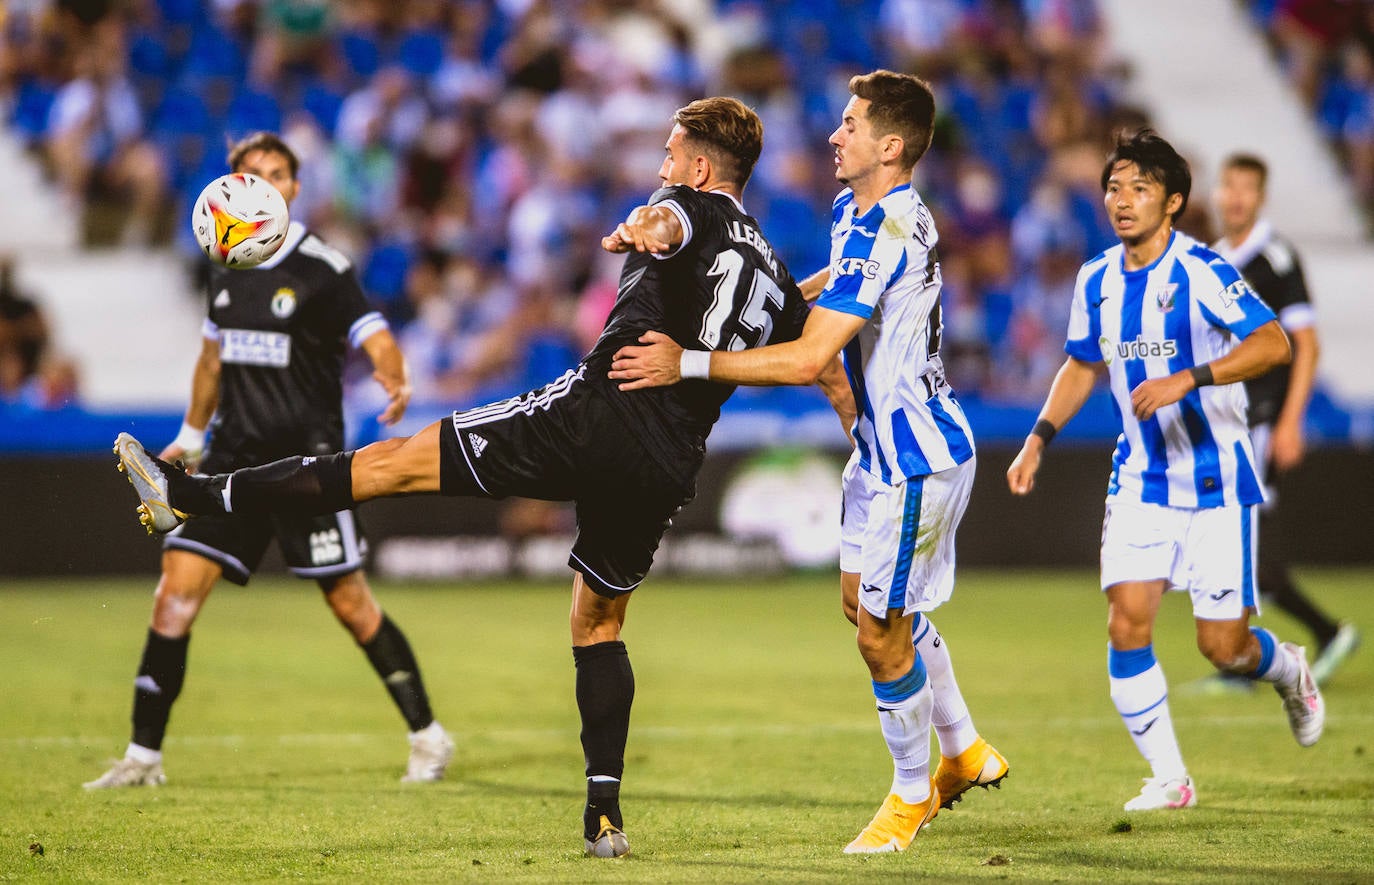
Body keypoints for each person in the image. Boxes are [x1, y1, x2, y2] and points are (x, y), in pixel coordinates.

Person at [111, 98, 848, 857]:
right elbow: (807, 341)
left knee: (393, 464)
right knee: (598, 623)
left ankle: (191, 494)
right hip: (667, 461)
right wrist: (856, 405)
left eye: (671, 152)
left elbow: (668, 223)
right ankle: (604, 816)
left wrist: (642, 226)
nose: (662, 162)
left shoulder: (680, 204)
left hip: (597, 412)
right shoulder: (766, 264)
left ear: (699, 167)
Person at [608, 70, 1008, 855]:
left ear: (890, 147)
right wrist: (781, 294)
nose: (835, 134)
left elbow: (808, 359)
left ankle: (908, 794)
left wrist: (688, 361)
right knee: (864, 604)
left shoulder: (889, 227)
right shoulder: (853, 211)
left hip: (915, 456)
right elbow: (828, 295)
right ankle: (962, 749)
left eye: (852, 124)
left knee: (879, 634)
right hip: (881, 450)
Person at [88, 132, 453, 790]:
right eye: (253, 173)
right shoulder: (224, 260)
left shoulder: (323, 266)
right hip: (228, 459)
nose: (268, 184)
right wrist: (191, 436)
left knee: (352, 605)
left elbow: (374, 333)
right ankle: (142, 757)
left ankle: (428, 734)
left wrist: (394, 378)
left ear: (294, 186)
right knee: (173, 599)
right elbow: (211, 358)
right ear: (231, 185)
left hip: (305, 466)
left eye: (279, 174)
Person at [1005, 130, 1325, 812]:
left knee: (1224, 646)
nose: (1122, 201)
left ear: (1173, 201)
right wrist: (1038, 437)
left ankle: (1289, 668)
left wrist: (1191, 377)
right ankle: (1170, 777)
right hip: (1144, 477)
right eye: (1114, 188)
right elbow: (1082, 363)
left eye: (1140, 189)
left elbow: (1274, 342)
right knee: (1127, 620)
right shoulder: (1095, 279)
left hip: (1216, 479)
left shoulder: (1204, 271)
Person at [1210, 153, 1359, 686]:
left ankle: (1255, 658)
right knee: (1233, 540)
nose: (1235, 198)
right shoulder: (1218, 257)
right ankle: (1286, 644)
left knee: (1239, 540)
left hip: (1262, 420)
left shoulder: (1274, 257)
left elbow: (1307, 344)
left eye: (1246, 188)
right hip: (1229, 420)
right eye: (1229, 186)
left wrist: (1292, 421)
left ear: (1260, 197)